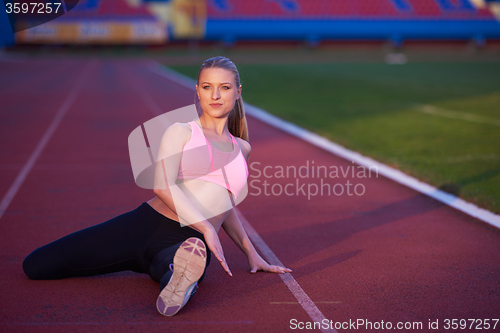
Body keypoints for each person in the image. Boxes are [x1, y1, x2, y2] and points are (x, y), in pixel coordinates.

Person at [22, 56, 292, 317]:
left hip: (190, 242)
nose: (215, 95)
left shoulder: (242, 148)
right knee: (36, 265)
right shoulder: (182, 132)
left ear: (237, 91)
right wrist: (208, 228)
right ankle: (176, 271)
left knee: (183, 264)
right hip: (145, 226)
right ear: (197, 91)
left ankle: (177, 276)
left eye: (224, 87)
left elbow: (225, 204)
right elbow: (161, 186)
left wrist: (252, 254)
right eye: (207, 87)